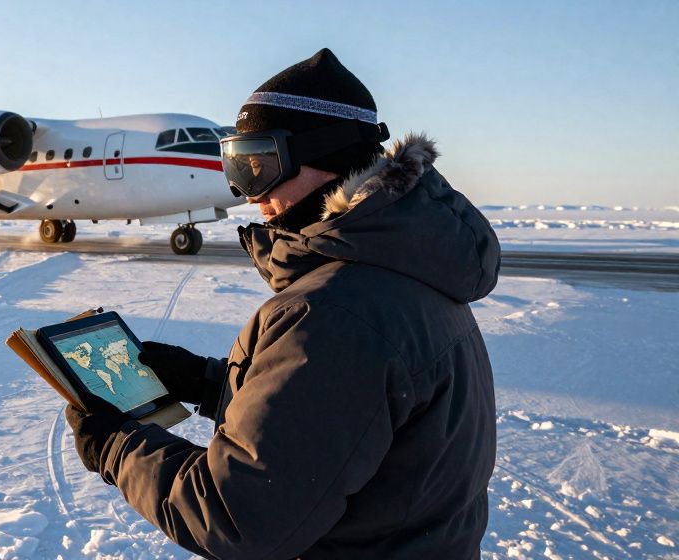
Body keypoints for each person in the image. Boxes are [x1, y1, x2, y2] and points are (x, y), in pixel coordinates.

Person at [66, 48, 500, 559]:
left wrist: (119, 447)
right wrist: (212, 382)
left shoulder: (333, 313)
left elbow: (235, 517)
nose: (249, 194)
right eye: (237, 167)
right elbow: (346, 414)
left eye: (259, 166)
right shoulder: (412, 269)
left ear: (328, 155)